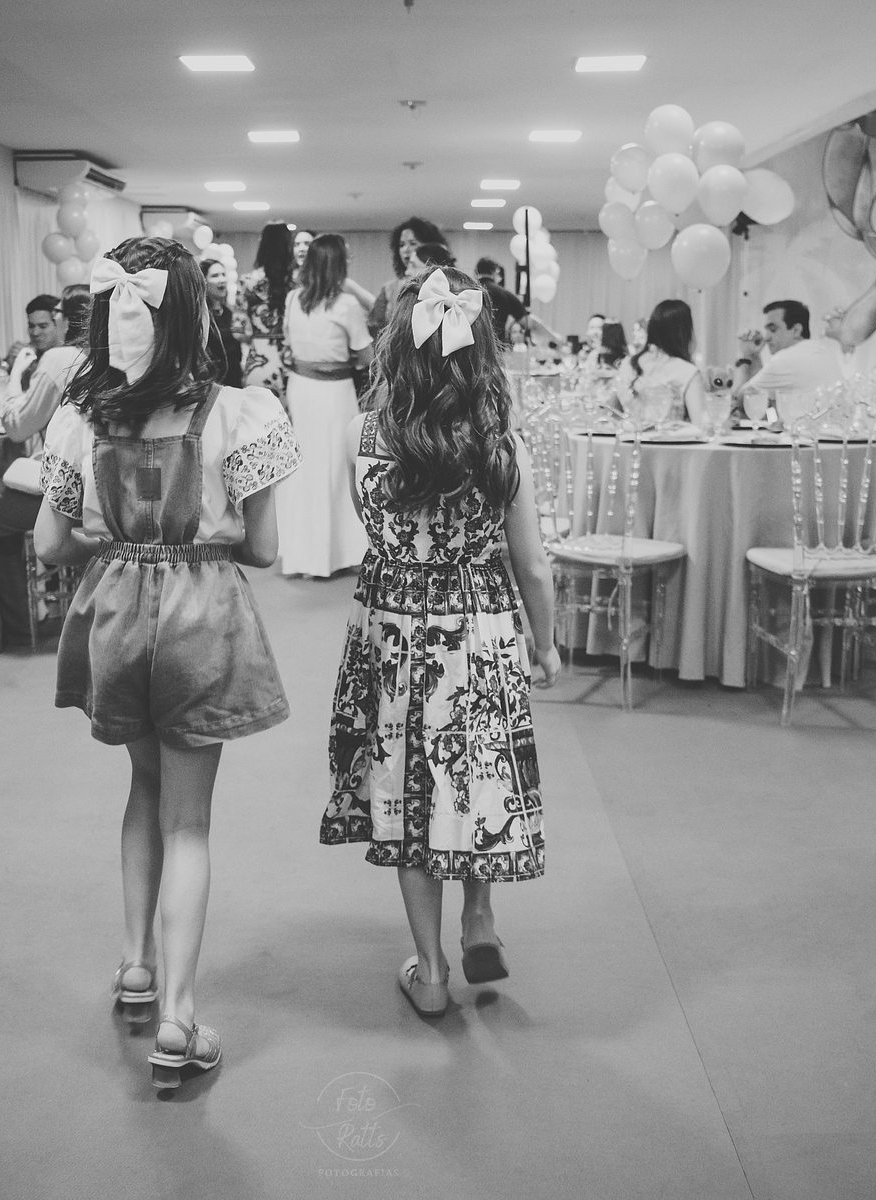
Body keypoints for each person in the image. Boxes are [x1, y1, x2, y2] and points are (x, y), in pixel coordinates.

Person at [33, 236, 301, 1088]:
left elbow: (48, 545)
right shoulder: (239, 411)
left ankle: (135, 966)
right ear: (194, 316)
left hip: (113, 617)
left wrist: (117, 545)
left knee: (141, 786)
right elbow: (263, 549)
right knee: (189, 820)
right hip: (200, 618)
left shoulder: (80, 417)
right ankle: (180, 1017)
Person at [321, 264, 560, 1018]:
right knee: (474, 774)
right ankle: (479, 914)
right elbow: (533, 565)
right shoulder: (501, 445)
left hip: (392, 627)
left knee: (407, 791)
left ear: (397, 343)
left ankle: (429, 974)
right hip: (477, 625)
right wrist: (546, 645)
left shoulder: (360, 435)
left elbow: (370, 524)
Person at [0, 295, 88, 652]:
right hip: (103, 491)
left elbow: (17, 427)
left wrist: (14, 382)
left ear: (65, 322)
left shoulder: (61, 358)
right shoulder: (116, 356)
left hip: (68, 495)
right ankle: (17, 623)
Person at [280, 233, 371, 578]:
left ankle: (304, 555)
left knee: (304, 469)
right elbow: (366, 354)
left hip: (301, 388)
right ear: (338, 264)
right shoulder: (346, 304)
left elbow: (289, 343)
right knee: (336, 469)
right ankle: (339, 553)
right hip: (335, 392)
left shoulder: (293, 299)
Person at [733, 298, 845, 424]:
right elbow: (763, 406)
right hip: (832, 432)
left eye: (773, 329)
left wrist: (745, 358)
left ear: (796, 330)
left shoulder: (784, 360)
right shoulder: (820, 350)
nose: (766, 337)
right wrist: (754, 357)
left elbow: (740, 403)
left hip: (811, 434)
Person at [235, 222, 297, 402]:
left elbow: (239, 332)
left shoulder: (247, 281)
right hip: (292, 365)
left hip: (258, 362)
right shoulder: (299, 282)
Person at [619, 299, 707, 423]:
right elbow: (701, 425)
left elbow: (611, 410)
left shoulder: (628, 364)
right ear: (684, 332)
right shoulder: (686, 371)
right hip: (670, 435)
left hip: (629, 433)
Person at [368, 217, 448, 339]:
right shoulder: (389, 289)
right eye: (401, 245)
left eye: (413, 243)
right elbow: (375, 327)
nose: (406, 249)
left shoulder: (447, 285)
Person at [473, 257, 564, 350]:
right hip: (494, 349)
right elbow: (529, 323)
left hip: (471, 350)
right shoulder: (504, 294)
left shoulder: (469, 291)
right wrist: (555, 338)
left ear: (476, 272)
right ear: (495, 272)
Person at [201, 259, 244, 388]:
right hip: (213, 384)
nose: (222, 279)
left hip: (235, 382)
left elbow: (239, 340)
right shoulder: (201, 316)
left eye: (223, 274)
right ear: (204, 281)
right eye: (215, 276)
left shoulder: (230, 313)